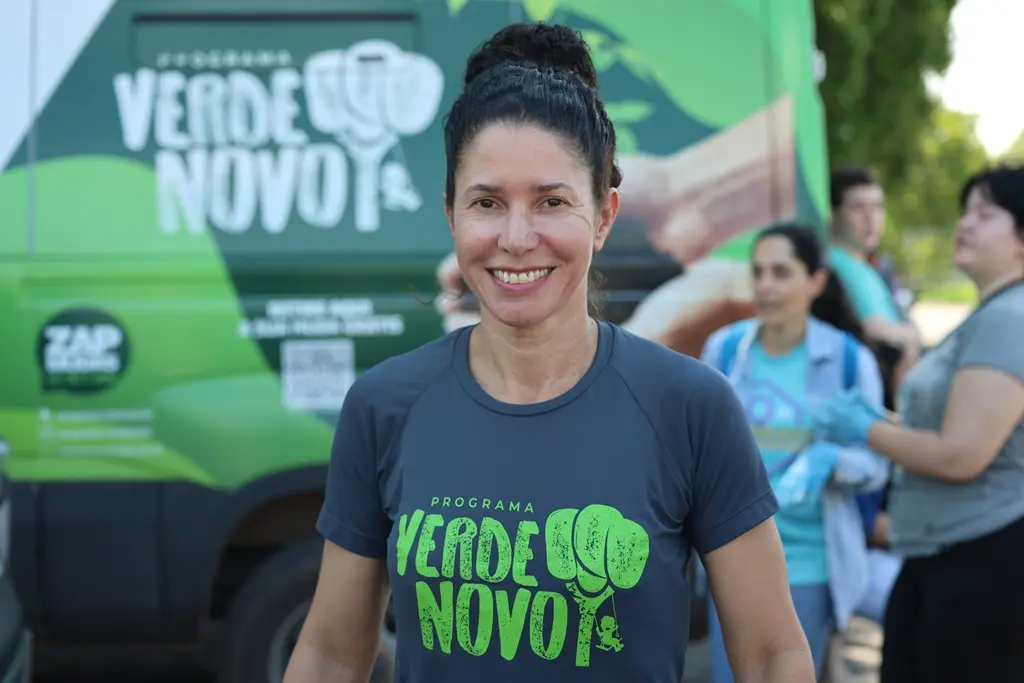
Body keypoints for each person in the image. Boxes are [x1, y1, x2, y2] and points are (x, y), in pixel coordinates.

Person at [285, 23, 816, 683]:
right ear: (451, 214)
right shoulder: (385, 405)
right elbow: (331, 653)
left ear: (604, 214)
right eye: (487, 202)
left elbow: (773, 656)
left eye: (551, 201)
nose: (516, 236)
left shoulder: (688, 405)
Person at [813, 164, 1024, 683]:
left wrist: (867, 430)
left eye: (985, 214)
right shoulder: (991, 312)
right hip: (942, 556)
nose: (965, 224)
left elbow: (960, 453)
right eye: (965, 212)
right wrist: (878, 419)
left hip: (981, 566)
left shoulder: (1009, 317)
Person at [699, 225, 888, 682]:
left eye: (781, 272)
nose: (765, 285)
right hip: (732, 559)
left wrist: (831, 464)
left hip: (810, 562)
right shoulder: (723, 352)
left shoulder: (848, 360)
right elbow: (694, 452)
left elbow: (876, 465)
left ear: (815, 282)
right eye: (759, 272)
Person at [827, 166, 920, 405]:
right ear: (835, 214)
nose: (871, 219)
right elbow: (873, 327)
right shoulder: (833, 265)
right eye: (859, 208)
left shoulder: (868, 266)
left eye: (877, 207)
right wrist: (911, 338)